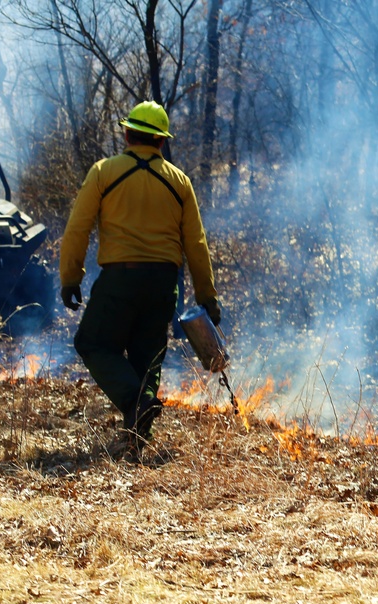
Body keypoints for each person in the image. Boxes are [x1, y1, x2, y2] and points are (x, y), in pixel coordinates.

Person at [59, 100, 221, 461]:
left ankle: (137, 403)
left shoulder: (104, 171)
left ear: (128, 134)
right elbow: (196, 243)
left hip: (120, 279)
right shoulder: (179, 182)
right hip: (164, 284)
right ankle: (136, 442)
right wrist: (207, 297)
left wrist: (70, 277)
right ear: (161, 142)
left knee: (93, 343)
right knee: (148, 359)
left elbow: (77, 228)